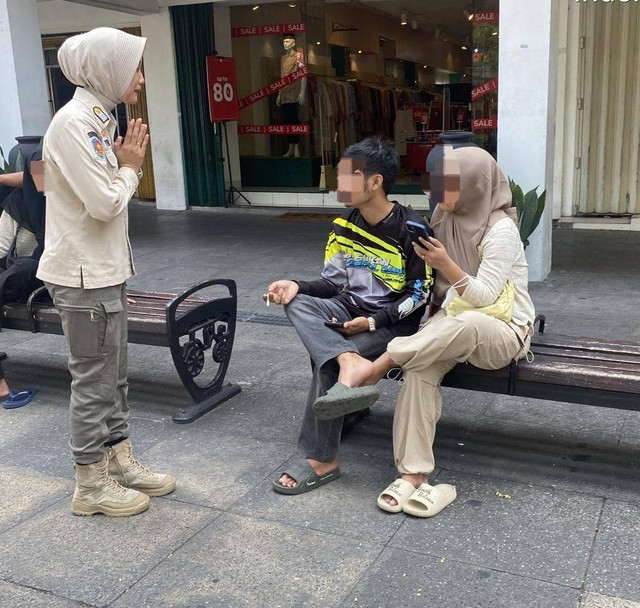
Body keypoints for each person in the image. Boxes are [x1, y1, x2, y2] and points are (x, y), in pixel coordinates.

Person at [331, 142, 536, 516]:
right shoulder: (442, 214)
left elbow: (485, 297)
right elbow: (430, 286)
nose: (440, 192)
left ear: (477, 184)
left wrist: (447, 263)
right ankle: (413, 476)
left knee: (469, 321)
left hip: (501, 328)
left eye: (450, 184)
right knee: (420, 368)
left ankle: (375, 368)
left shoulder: (500, 230)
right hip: (447, 324)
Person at [37, 27, 175, 517]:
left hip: (101, 272)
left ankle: (119, 464)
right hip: (81, 277)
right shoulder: (74, 124)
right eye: (134, 66)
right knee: (93, 382)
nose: (140, 78)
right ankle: (90, 485)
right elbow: (104, 202)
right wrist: (131, 167)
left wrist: (120, 163)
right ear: (108, 69)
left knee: (113, 379)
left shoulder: (97, 118)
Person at [265, 136, 434, 494]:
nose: (338, 183)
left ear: (375, 182)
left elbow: (421, 294)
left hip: (392, 325)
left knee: (326, 360)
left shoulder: (411, 229)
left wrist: (374, 322)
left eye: (346, 176)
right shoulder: (343, 227)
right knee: (300, 304)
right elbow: (331, 284)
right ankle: (348, 363)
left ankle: (320, 459)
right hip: (348, 309)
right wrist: (296, 285)